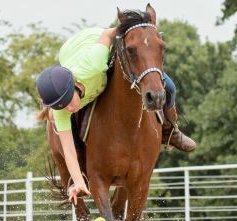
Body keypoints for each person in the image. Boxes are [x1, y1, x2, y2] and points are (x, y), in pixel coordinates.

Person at [36, 27, 195, 203]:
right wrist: (79, 182)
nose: (69, 108)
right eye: (63, 107)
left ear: (73, 85)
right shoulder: (60, 111)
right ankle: (85, 156)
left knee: (169, 86)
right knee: (72, 123)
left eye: (69, 101)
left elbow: (107, 34)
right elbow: (68, 150)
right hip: (71, 53)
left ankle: (170, 129)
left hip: (98, 41)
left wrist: (126, 26)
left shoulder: (95, 65)